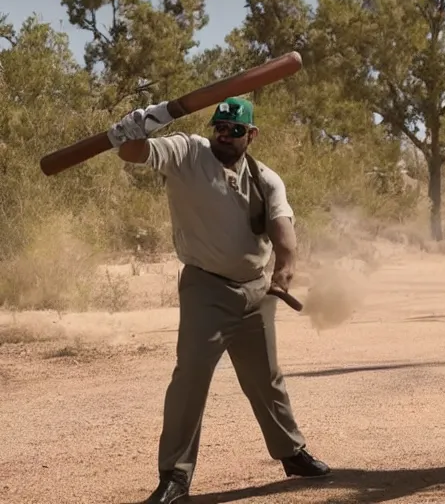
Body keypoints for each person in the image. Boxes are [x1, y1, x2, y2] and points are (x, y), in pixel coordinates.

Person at [106, 97, 330, 504]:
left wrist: (282, 273)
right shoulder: (188, 152)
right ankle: (175, 475)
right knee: (190, 378)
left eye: (235, 130)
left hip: (256, 289)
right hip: (206, 288)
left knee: (266, 378)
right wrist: (137, 130)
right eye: (220, 128)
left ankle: (291, 452)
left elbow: (283, 232)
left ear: (252, 135)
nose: (224, 136)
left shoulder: (266, 179)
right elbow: (135, 154)